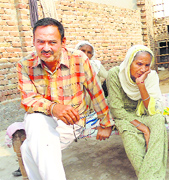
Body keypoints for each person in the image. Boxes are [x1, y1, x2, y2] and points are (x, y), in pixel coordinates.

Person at [17, 17, 114, 180]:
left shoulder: (79, 59)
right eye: (40, 42)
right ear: (33, 41)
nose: (46, 48)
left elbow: (95, 91)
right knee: (35, 120)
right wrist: (54, 108)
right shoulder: (25, 65)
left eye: (52, 42)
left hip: (72, 121)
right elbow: (28, 99)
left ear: (63, 42)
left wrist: (105, 122)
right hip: (42, 119)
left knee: (28, 148)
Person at [106, 45, 168, 179]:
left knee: (158, 120)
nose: (143, 69)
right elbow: (116, 109)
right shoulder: (115, 74)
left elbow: (151, 109)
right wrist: (143, 128)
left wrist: (141, 84)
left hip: (143, 114)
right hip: (124, 117)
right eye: (139, 64)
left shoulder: (150, 77)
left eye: (147, 65)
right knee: (132, 142)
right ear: (129, 62)